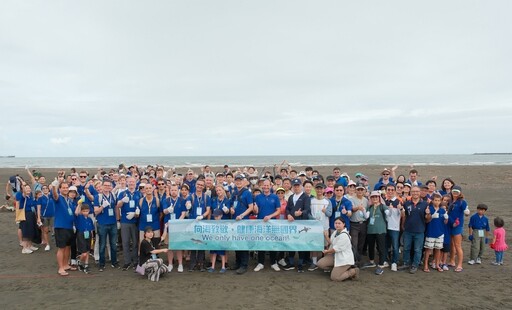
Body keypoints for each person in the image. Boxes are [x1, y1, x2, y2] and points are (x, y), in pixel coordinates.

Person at [317, 217, 359, 281]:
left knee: (334, 278)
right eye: (336, 223)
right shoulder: (335, 232)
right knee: (320, 264)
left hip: (343, 258)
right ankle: (337, 270)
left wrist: (327, 252)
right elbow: (332, 243)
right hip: (335, 256)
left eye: (339, 223)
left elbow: (335, 249)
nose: (337, 225)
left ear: (344, 224)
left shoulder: (344, 236)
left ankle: (353, 271)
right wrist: (326, 236)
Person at [253, 179, 281, 272]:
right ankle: (260, 263)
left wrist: (270, 216)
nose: (265, 187)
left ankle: (273, 263)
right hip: (261, 223)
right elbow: (255, 211)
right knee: (261, 243)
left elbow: (278, 210)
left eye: (267, 185)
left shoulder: (275, 197)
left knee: (272, 243)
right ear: (262, 186)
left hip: (272, 223)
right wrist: (255, 210)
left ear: (270, 186)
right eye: (264, 185)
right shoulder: (258, 197)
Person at [284, 178, 311, 272]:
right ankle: (291, 263)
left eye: (298, 186)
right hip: (292, 224)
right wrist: (288, 215)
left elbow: (307, 210)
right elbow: (287, 208)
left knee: (301, 244)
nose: (296, 187)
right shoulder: (291, 197)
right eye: (294, 186)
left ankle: (300, 264)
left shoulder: (306, 197)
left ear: (301, 186)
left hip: (301, 224)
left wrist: (301, 213)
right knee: (291, 243)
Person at [401, 186, 430, 274]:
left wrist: (428, 214)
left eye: (417, 191)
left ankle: (415, 265)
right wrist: (403, 225)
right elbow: (405, 216)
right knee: (406, 248)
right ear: (410, 192)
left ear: (420, 192)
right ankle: (406, 263)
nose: (415, 193)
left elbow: (428, 219)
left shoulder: (425, 204)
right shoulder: (406, 203)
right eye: (413, 191)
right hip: (408, 230)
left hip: (419, 231)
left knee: (418, 249)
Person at [51, 179, 76, 276]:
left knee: (68, 247)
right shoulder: (59, 198)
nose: (65, 189)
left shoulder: (69, 200)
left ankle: (65, 265)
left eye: (67, 188)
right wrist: (54, 186)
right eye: (63, 188)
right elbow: (55, 195)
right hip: (60, 227)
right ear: (60, 189)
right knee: (61, 248)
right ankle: (61, 268)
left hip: (69, 226)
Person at [230, 174, 254, 274]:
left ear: (243, 181)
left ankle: (244, 265)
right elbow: (231, 204)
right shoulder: (234, 193)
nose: (238, 182)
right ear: (235, 182)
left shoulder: (247, 193)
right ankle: (237, 262)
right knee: (236, 242)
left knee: (243, 243)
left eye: (240, 180)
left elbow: (251, 207)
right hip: (235, 221)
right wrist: (231, 209)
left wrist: (242, 215)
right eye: (237, 180)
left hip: (244, 221)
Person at [93, 179, 120, 271]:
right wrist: (102, 206)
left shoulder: (113, 195)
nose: (107, 187)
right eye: (105, 185)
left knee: (113, 244)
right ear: (102, 186)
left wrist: (118, 219)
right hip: (102, 224)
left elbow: (116, 208)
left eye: (109, 185)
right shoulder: (98, 197)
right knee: (102, 244)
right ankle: (101, 263)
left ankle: (114, 262)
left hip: (113, 223)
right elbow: (96, 211)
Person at [116, 176, 141, 271]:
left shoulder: (139, 194)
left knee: (135, 242)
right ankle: (127, 262)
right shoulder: (122, 193)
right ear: (127, 183)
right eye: (129, 182)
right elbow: (117, 206)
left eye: (133, 182)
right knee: (125, 242)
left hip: (135, 221)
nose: (131, 183)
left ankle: (135, 261)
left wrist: (135, 214)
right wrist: (122, 201)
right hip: (125, 221)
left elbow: (141, 208)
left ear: (135, 183)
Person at [364, 191, 389, 275]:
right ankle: (371, 261)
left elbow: (388, 213)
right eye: (373, 197)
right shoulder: (370, 207)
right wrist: (363, 210)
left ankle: (381, 264)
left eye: (376, 197)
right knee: (371, 246)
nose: (375, 198)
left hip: (380, 230)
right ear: (371, 198)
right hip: (371, 230)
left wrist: (390, 210)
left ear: (379, 198)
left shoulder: (383, 206)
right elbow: (366, 216)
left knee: (381, 247)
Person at [308, 183, 332, 271]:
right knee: (314, 245)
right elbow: (308, 213)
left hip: (324, 227)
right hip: (314, 227)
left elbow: (330, 213)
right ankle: (314, 262)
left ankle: (325, 263)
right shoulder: (311, 200)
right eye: (317, 189)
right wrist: (312, 219)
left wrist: (325, 211)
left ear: (323, 190)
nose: (319, 191)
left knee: (325, 245)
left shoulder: (327, 201)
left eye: (321, 189)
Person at [423, 193, 448, 272]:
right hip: (430, 232)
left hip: (440, 233)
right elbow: (426, 220)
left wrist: (446, 218)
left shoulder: (442, 210)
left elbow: (445, 222)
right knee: (428, 250)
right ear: (432, 201)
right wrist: (430, 215)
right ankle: (426, 265)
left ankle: (437, 264)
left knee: (438, 249)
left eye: (438, 200)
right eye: (435, 200)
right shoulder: (429, 208)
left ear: (440, 201)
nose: (437, 202)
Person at [448, 185, 469, 272]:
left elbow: (466, 211)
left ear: (460, 193)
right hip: (449, 224)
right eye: (454, 192)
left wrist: (466, 212)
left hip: (457, 226)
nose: (455, 193)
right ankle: (452, 261)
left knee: (457, 245)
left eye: (457, 192)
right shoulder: (450, 201)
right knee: (451, 244)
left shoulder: (462, 202)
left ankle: (459, 265)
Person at [348, 182, 369, 265]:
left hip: (363, 223)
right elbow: (352, 209)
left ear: (364, 191)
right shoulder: (351, 199)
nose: (360, 191)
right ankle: (353, 260)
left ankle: (359, 259)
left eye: (361, 190)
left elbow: (367, 212)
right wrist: (358, 208)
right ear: (355, 190)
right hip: (354, 224)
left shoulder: (366, 200)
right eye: (358, 189)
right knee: (354, 243)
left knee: (361, 243)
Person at [16, 183, 38, 254]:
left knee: (31, 230)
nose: (28, 190)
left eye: (29, 188)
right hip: (25, 215)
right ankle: (24, 248)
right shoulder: (23, 196)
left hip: (31, 215)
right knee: (26, 232)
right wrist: (23, 186)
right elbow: (24, 194)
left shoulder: (30, 196)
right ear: (23, 190)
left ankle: (29, 245)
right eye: (26, 188)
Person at [75, 203, 94, 274]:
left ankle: (86, 264)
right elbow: (76, 212)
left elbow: (92, 230)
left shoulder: (89, 219)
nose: (85, 212)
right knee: (84, 253)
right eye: (84, 211)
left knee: (88, 250)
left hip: (88, 235)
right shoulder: (79, 217)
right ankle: (79, 261)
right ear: (81, 211)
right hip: (81, 234)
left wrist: (92, 239)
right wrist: (79, 205)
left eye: (87, 211)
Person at [207, 209, 228, 273]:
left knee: (222, 254)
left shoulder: (223, 224)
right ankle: (213, 266)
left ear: (221, 216)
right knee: (213, 253)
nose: (215, 218)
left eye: (217, 216)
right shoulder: (213, 223)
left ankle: (223, 266)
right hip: (214, 241)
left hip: (221, 241)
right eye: (214, 216)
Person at [36, 184, 55, 251]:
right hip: (44, 216)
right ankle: (47, 244)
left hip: (53, 215)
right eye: (43, 188)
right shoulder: (40, 198)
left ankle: (56, 241)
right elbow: (38, 209)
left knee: (54, 229)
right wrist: (38, 218)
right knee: (45, 230)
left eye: (46, 188)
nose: (45, 189)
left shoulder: (51, 196)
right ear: (42, 190)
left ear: (48, 189)